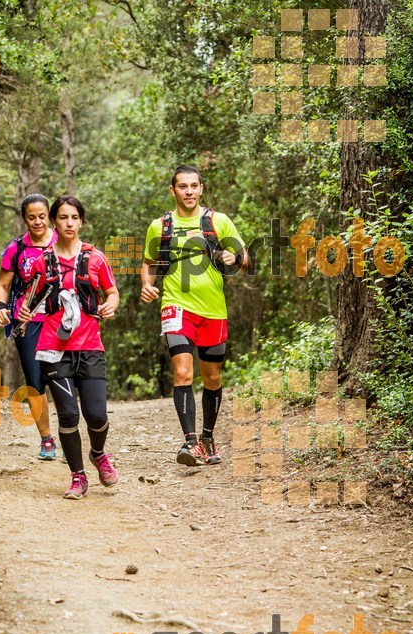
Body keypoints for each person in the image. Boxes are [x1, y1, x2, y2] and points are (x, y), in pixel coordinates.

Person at [140, 164, 248, 466]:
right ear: (172, 190)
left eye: (194, 186)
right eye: (182, 186)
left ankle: (208, 437)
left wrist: (235, 257)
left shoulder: (218, 221)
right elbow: (149, 263)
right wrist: (147, 285)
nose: (189, 191)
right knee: (183, 373)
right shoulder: (159, 226)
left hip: (213, 310)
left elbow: (248, 261)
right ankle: (190, 442)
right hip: (176, 305)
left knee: (212, 378)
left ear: (201, 189)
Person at [18, 194, 120, 500]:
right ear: (54, 222)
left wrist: (110, 306)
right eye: (63, 218)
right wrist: (24, 311)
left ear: (82, 221)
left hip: (90, 345)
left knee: (97, 415)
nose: (69, 223)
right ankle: (78, 477)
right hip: (53, 348)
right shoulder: (42, 262)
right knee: (68, 416)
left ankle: (99, 454)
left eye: (74, 217)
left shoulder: (95, 259)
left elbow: (112, 292)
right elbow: (30, 298)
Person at [0, 194, 57, 460]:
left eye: (42, 216)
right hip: (26, 322)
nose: (38, 221)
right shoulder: (16, 248)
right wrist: (0, 307)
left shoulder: (63, 242)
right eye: (32, 217)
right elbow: (2, 285)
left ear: (49, 215)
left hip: (60, 321)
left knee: (63, 378)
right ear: (24, 218)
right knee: (35, 381)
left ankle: (70, 434)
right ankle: (47, 440)